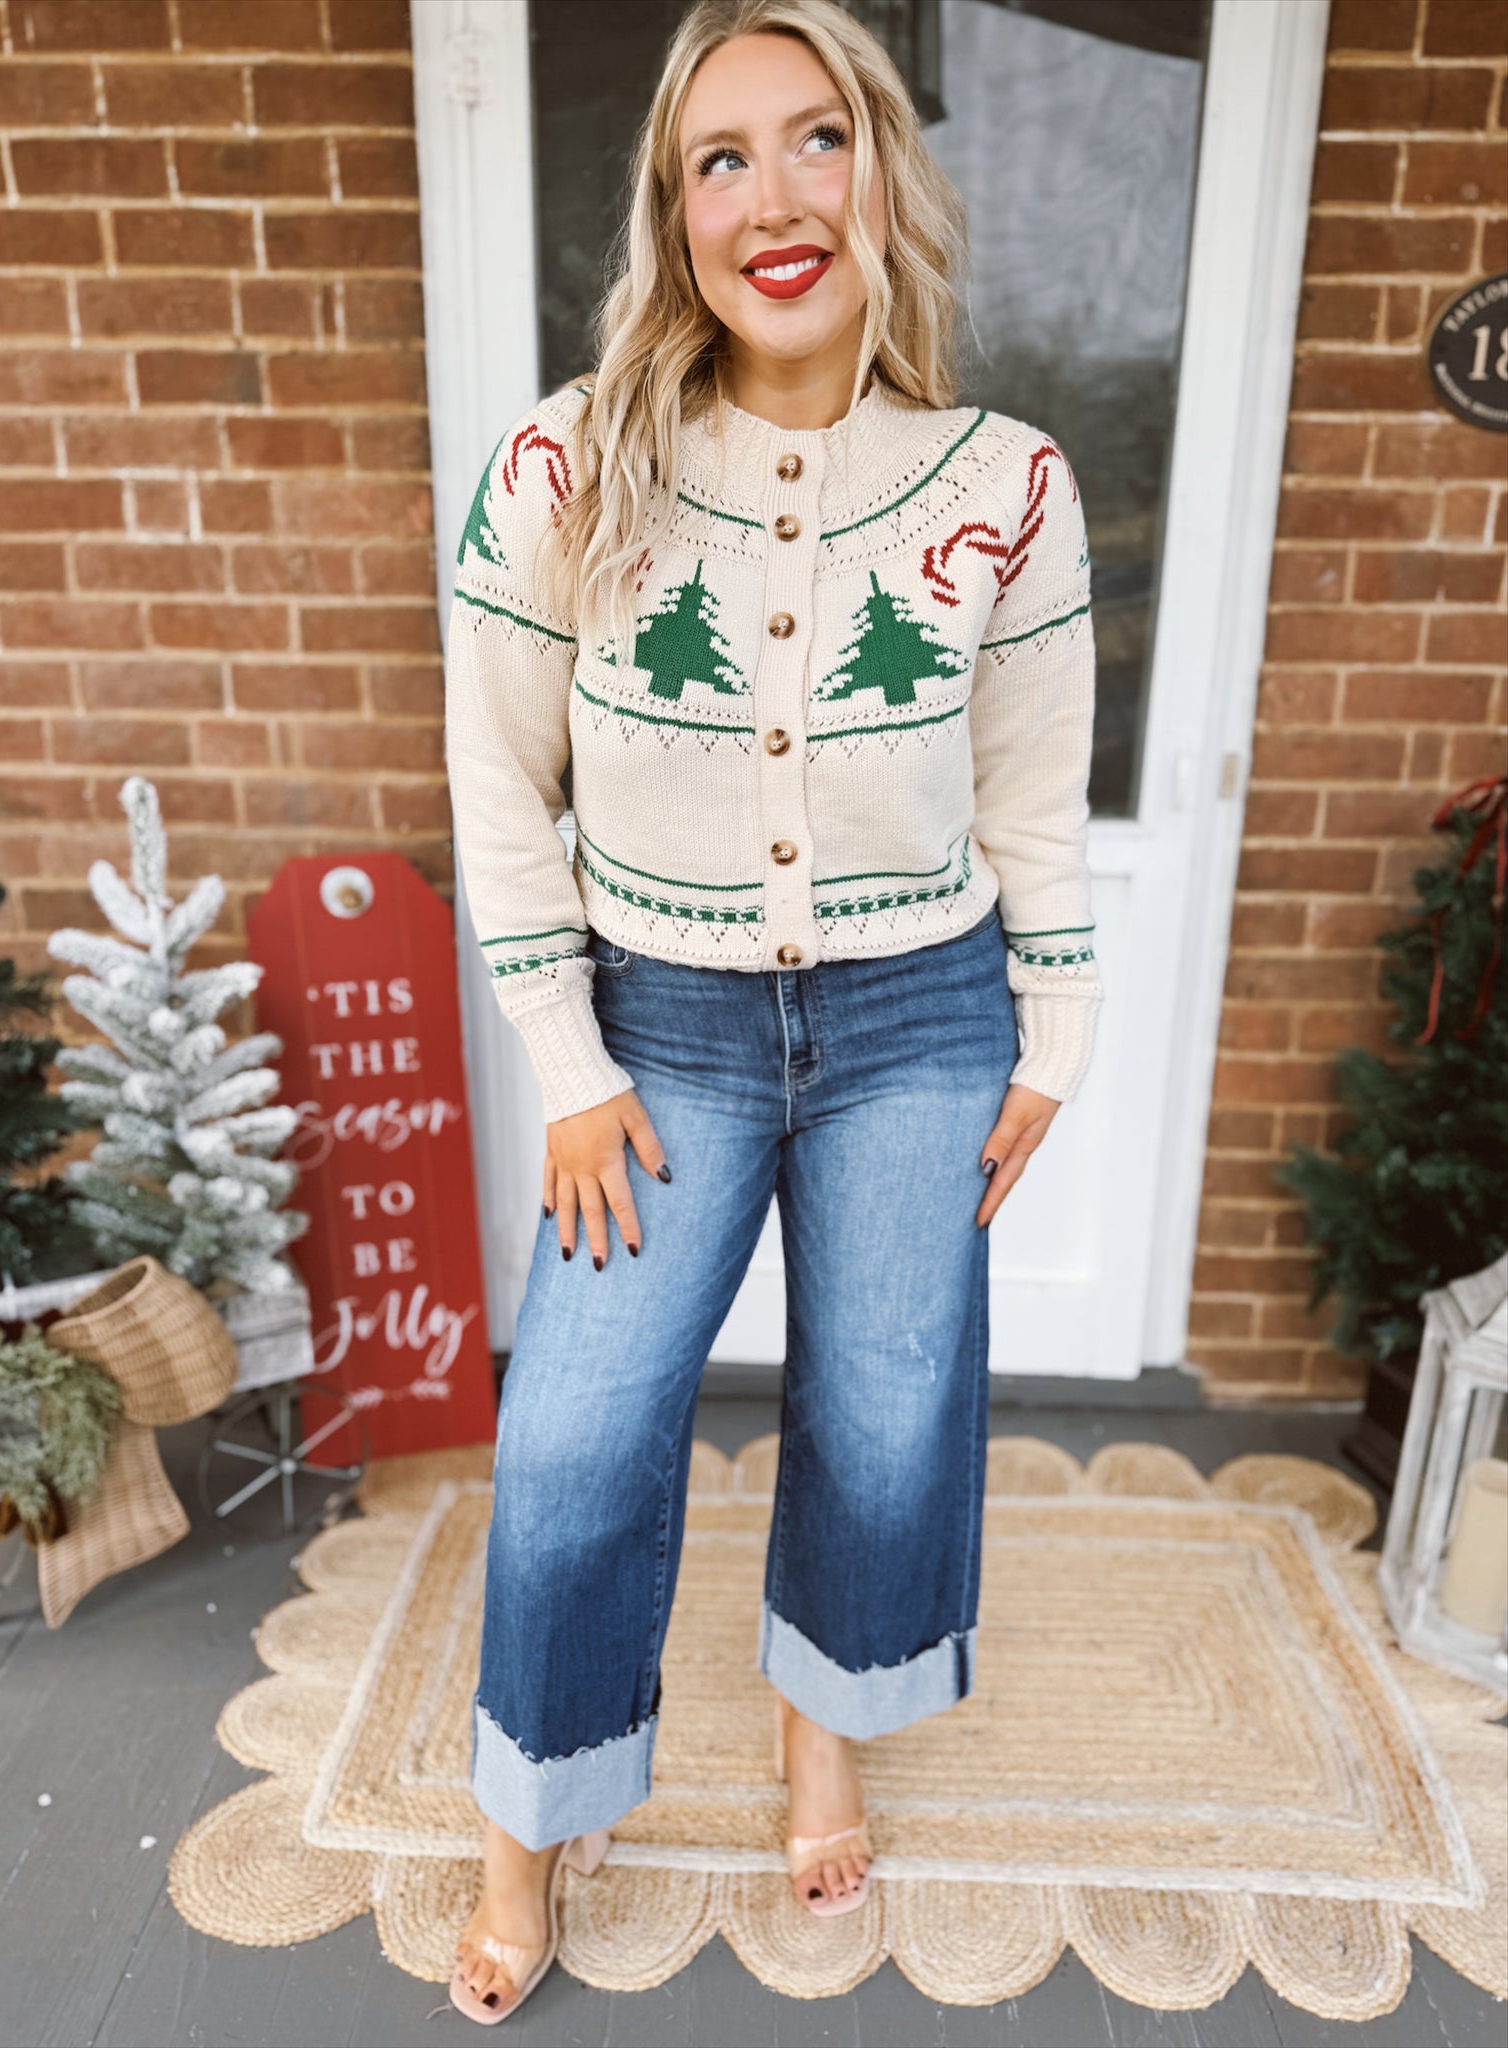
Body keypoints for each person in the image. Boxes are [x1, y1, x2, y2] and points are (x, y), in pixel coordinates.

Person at [442, 0, 1104, 2023]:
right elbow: (499, 784)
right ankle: (532, 1818)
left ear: (883, 171)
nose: (774, 197)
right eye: (717, 160)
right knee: (573, 1437)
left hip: (922, 1019)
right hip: (660, 1030)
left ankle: (826, 1736)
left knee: (886, 1421)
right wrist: (567, 1064)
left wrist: (1058, 1034)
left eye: (817, 138)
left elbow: (1034, 795)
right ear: (677, 215)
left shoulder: (1009, 484)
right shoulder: (569, 462)